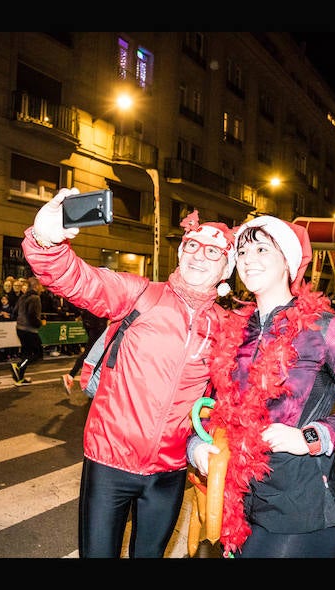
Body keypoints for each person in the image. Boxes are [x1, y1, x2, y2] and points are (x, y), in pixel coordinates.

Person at [22, 187, 236, 558]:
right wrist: (46, 241)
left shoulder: (226, 327)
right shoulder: (140, 294)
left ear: (226, 267)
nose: (199, 256)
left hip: (169, 470)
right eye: (191, 246)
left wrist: (202, 442)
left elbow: (227, 398)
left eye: (212, 251)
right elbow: (79, 279)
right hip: (110, 460)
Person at [187, 216, 335, 558]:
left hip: (301, 503)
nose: (248, 259)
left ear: (288, 262)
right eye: (243, 251)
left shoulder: (323, 328)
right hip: (239, 500)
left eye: (262, 249)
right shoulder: (236, 329)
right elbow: (212, 404)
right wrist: (197, 444)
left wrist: (311, 437)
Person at [62, 307, 109, 391]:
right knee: (91, 352)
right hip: (97, 324)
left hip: (91, 322)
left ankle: (73, 376)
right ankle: (71, 376)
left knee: (95, 352)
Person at [10, 276, 43, 384]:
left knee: (26, 353)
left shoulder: (23, 297)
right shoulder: (35, 298)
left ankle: (20, 378)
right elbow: (32, 315)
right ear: (36, 286)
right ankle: (18, 366)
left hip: (20, 328)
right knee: (38, 354)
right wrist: (39, 323)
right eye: (40, 285)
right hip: (29, 329)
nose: (41, 287)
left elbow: (15, 312)